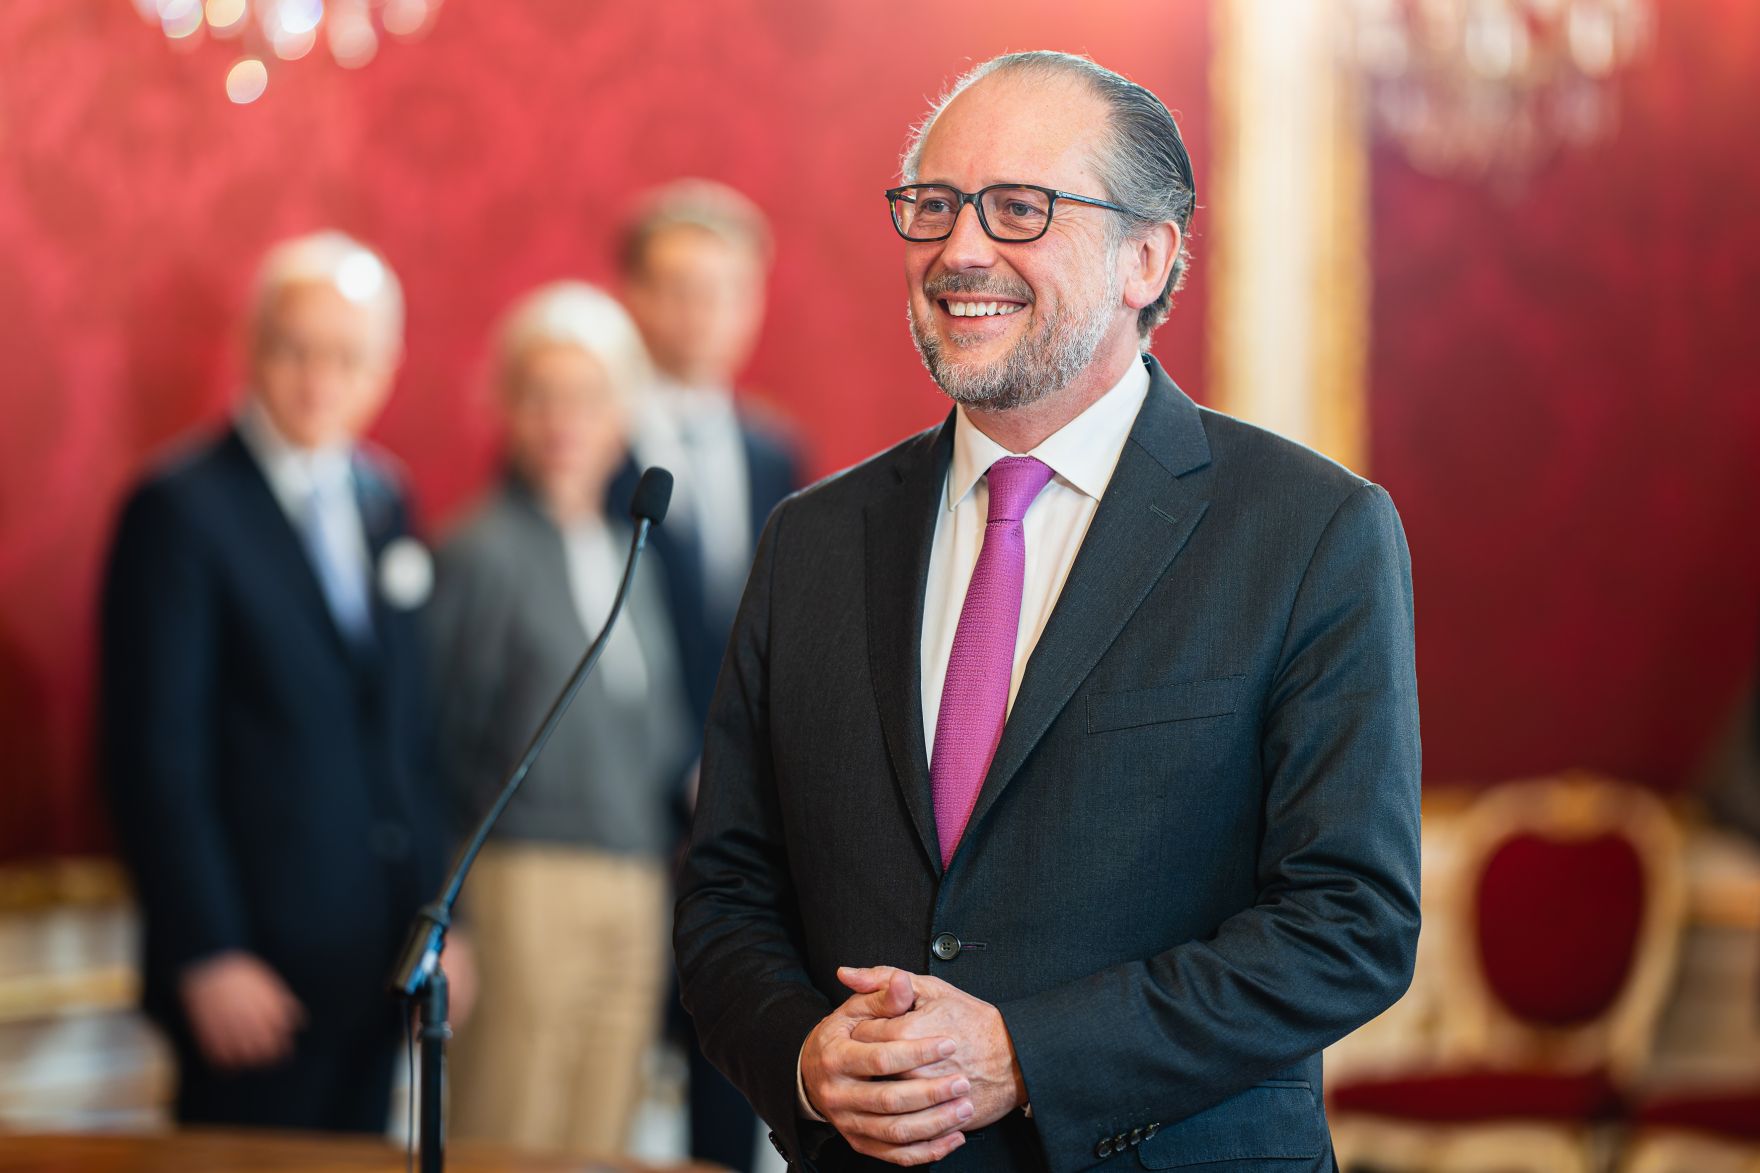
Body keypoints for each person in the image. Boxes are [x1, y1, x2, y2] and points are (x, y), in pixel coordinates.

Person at [674, 51, 1422, 1173]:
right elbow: (726, 890)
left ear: (1145, 257)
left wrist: (1029, 1052)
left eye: (1019, 209)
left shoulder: (1309, 530)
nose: (959, 250)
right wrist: (801, 1059)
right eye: (933, 206)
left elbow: (1347, 923)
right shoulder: (811, 541)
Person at [100, 230, 469, 1132]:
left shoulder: (386, 496)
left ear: (386, 365)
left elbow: (406, 736)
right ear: (255, 349)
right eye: (295, 349)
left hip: (376, 960)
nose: (319, 377)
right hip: (250, 970)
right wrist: (208, 949)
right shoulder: (179, 507)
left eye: (348, 355)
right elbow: (156, 756)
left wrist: (438, 919)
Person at [431, 281, 694, 1156]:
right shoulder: (478, 551)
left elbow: (659, 738)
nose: (563, 420)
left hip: (636, 882)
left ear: (623, 411)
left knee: (602, 1136)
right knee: (509, 1135)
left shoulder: (638, 548)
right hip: (522, 883)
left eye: (587, 397)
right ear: (505, 407)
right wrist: (446, 915)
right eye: (539, 395)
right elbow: (437, 746)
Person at [612, 179, 803, 1173]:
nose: (702, 312)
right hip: (619, 822)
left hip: (745, 822)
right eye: (679, 288)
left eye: (725, 290)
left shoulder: (777, 450)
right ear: (633, 298)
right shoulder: (585, 438)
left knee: (736, 1073)